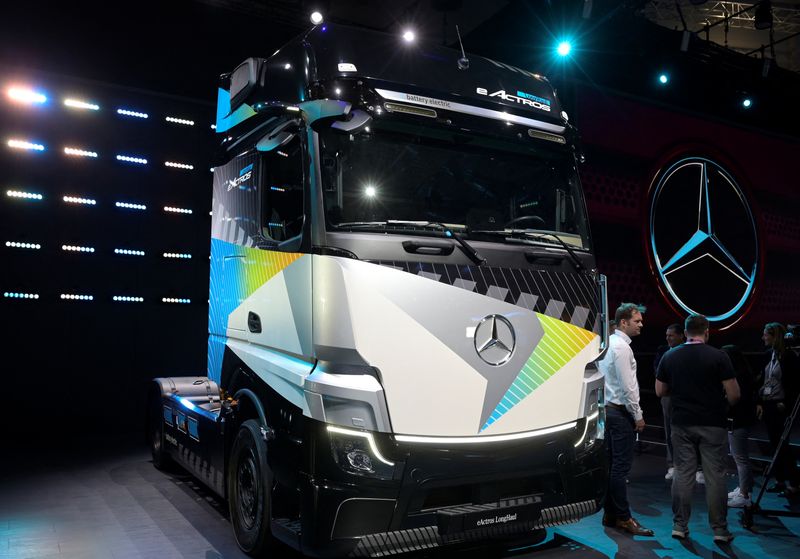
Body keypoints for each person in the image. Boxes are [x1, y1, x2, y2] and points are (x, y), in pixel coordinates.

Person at [655, 314, 740, 543]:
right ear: (707, 331)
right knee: (715, 477)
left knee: (683, 474)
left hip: (682, 423)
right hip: (713, 423)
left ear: (685, 332)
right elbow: (734, 394)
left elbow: (660, 391)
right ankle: (720, 530)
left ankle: (679, 525)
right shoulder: (719, 356)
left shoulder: (669, 356)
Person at [599, 303, 654, 536]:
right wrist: (638, 415)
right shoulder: (621, 347)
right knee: (620, 469)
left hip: (609, 411)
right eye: (637, 321)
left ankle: (611, 514)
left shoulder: (609, 344)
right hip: (620, 414)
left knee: (613, 467)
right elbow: (627, 386)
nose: (641, 324)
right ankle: (623, 517)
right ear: (624, 322)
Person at [757, 322, 800, 496]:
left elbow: (794, 384)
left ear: (775, 336)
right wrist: (759, 401)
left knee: (783, 445)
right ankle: (780, 480)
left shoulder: (789, 357)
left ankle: (794, 483)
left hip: (781, 406)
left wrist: (786, 403)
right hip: (768, 404)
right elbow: (762, 380)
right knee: (775, 444)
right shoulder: (769, 355)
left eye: (766, 334)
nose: (763, 337)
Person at [722, 345, 758, 508]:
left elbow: (736, 399)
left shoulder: (739, 377)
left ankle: (745, 494)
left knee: (741, 457)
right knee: (739, 456)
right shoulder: (741, 375)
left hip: (739, 420)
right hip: (737, 419)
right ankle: (744, 489)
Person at [654, 324, 686, 481]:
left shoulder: (689, 351)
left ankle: (694, 467)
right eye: (667, 335)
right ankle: (672, 464)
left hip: (686, 397)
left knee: (689, 431)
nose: (667, 338)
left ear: (682, 336)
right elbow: (658, 373)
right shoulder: (662, 352)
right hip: (668, 396)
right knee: (670, 432)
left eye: (671, 335)